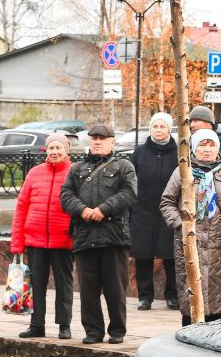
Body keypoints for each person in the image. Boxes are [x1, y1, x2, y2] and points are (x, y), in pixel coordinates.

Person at [60, 123, 137, 345]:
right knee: (88, 290)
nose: (97, 141)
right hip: (85, 236)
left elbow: (129, 193)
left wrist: (103, 209)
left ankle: (117, 330)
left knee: (115, 288)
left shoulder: (125, 166)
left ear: (112, 141)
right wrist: (82, 210)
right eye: (93, 137)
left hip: (114, 236)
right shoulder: (77, 168)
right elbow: (65, 194)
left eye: (102, 138)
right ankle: (93, 331)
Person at [160, 129, 221, 326]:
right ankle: (188, 342)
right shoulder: (182, 170)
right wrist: (181, 225)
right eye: (203, 144)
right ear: (194, 148)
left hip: (218, 244)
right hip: (188, 242)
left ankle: (212, 343)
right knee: (191, 299)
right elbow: (167, 202)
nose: (207, 149)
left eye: (211, 145)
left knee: (215, 300)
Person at [10, 132, 75, 339]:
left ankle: (64, 325)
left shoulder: (74, 173)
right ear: (46, 150)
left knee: (64, 285)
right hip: (36, 240)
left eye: (59, 148)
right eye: (51, 148)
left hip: (63, 240)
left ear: (66, 150)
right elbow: (21, 207)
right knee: (36, 284)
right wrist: (17, 243)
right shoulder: (35, 173)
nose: (54, 152)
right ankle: (36, 325)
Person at [130, 112, 179, 310]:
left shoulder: (178, 152)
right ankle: (145, 296)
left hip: (170, 210)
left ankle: (172, 295)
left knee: (171, 255)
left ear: (169, 129)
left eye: (162, 127)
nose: (158, 130)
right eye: (155, 127)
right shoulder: (140, 152)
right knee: (143, 254)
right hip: (143, 209)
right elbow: (131, 179)